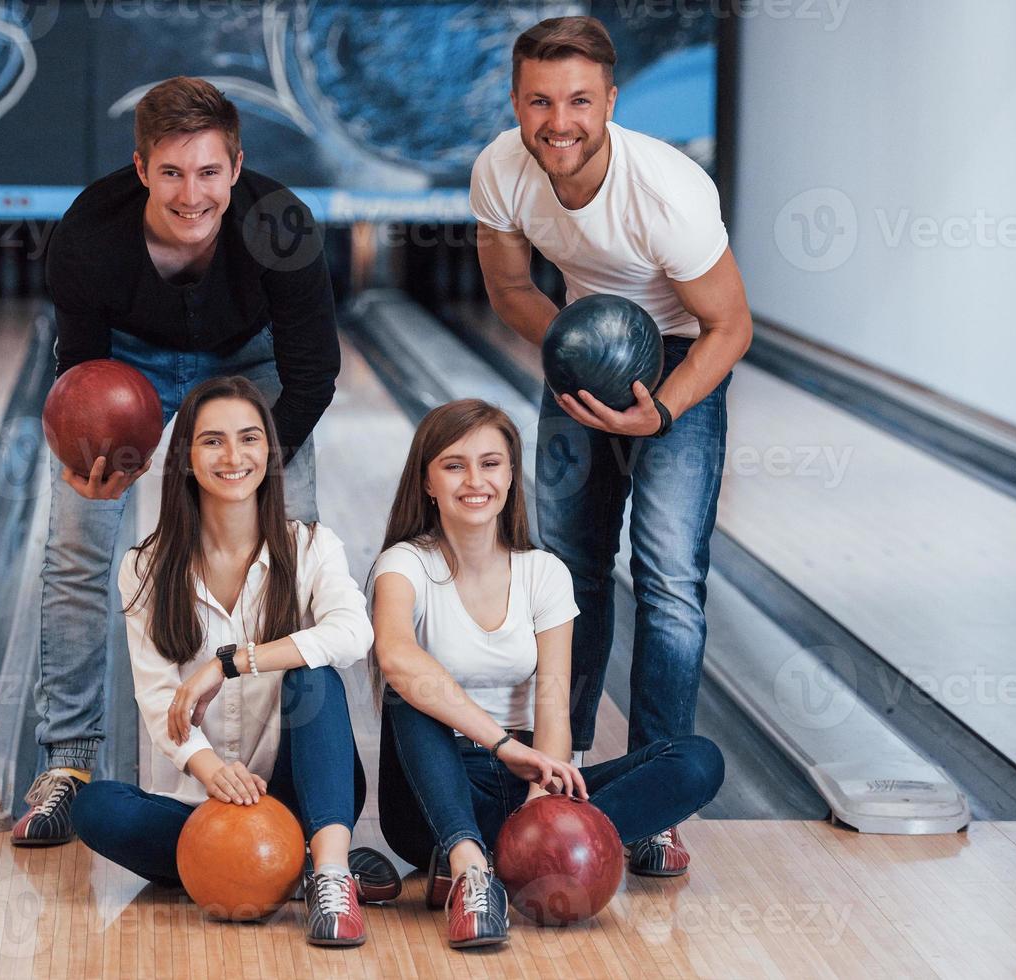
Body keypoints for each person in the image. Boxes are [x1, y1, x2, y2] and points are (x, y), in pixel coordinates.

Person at [16, 76, 340, 847]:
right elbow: (82, 373)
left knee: (291, 548)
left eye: (206, 172)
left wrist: (244, 471)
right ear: (140, 171)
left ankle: (299, 765)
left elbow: (311, 378)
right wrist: (93, 459)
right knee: (74, 546)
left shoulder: (279, 227)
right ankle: (68, 762)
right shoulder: (88, 237)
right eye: (170, 173)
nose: (190, 193)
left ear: (235, 166)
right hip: (129, 364)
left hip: (249, 360)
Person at [469, 16, 753, 875]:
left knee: (667, 576)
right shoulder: (500, 170)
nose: (560, 122)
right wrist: (577, 354)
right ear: (516, 102)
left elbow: (729, 325)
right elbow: (511, 288)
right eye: (540, 101)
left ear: (611, 102)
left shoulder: (666, 193)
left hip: (681, 362)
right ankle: (567, 761)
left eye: (580, 101)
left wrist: (656, 412)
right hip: (585, 350)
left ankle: (659, 796)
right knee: (566, 567)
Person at [371, 400, 723, 950]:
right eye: (454, 465)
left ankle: (515, 859)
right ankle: (471, 867)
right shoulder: (404, 564)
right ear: (427, 482)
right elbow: (396, 657)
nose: (475, 480)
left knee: (698, 759)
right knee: (411, 695)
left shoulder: (544, 573)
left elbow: (554, 705)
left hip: (525, 779)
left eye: (490, 463)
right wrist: (503, 745)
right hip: (433, 794)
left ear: (512, 475)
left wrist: (543, 805)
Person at [71, 377, 398, 948]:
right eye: (212, 441)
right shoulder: (146, 569)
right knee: (96, 807)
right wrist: (210, 770)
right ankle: (289, 864)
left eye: (248, 439)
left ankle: (326, 875)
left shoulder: (312, 546)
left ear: (269, 453)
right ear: (187, 458)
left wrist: (229, 664)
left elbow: (353, 634)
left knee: (314, 674)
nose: (233, 456)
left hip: (305, 791)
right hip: (203, 807)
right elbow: (156, 698)